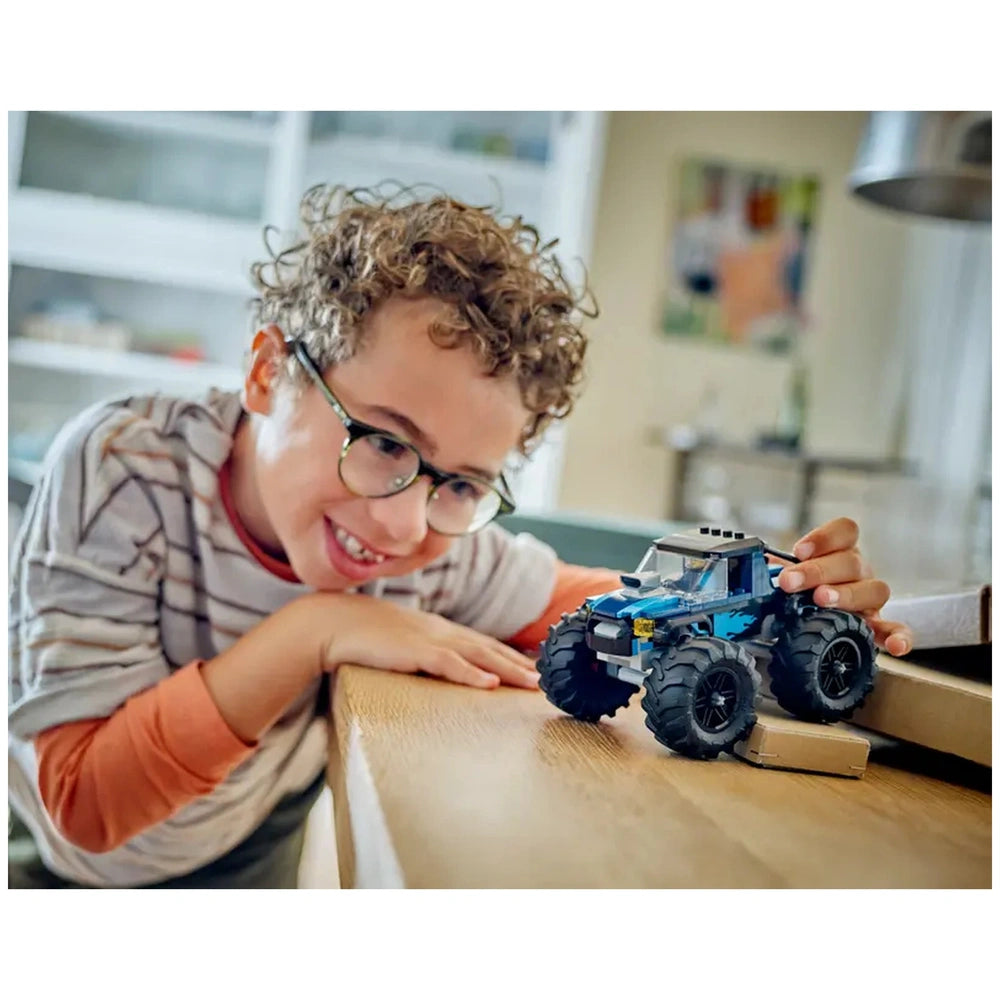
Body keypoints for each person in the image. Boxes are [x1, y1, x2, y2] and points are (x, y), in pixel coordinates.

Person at [7, 183, 913, 889]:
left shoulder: (438, 540)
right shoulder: (126, 467)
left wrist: (799, 614)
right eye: (385, 440)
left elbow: (606, 609)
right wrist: (315, 629)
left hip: (251, 848)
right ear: (267, 370)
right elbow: (84, 804)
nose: (404, 524)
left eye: (462, 482)